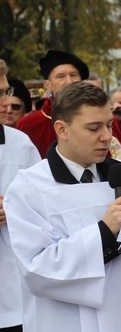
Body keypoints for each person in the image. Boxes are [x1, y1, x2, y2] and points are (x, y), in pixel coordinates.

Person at [3, 82, 121, 332]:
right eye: (94, 128)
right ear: (62, 129)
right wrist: (104, 232)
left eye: (108, 125)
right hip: (69, 321)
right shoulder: (29, 188)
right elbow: (36, 271)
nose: (107, 136)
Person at [16, 50, 121, 161]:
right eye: (61, 76)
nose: (69, 81)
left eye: (73, 75)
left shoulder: (106, 120)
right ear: (48, 85)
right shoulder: (29, 125)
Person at [0, 61, 41, 332]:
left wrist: (13, 207)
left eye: (5, 92)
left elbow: (43, 200)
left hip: (11, 286)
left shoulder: (19, 143)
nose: (5, 102)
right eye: (0, 93)